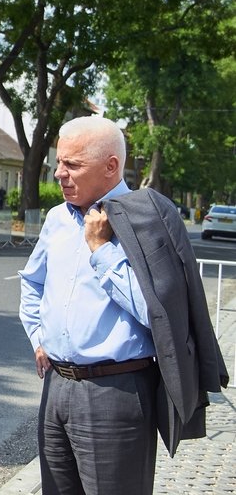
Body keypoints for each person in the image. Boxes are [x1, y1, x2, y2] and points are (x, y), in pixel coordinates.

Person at [19, 116, 228, 495]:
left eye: (73, 165)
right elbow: (32, 283)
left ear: (111, 166)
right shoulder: (56, 219)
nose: (59, 174)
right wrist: (37, 338)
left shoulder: (149, 218)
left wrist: (102, 252)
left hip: (116, 393)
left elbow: (161, 316)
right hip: (56, 389)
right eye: (59, 162)